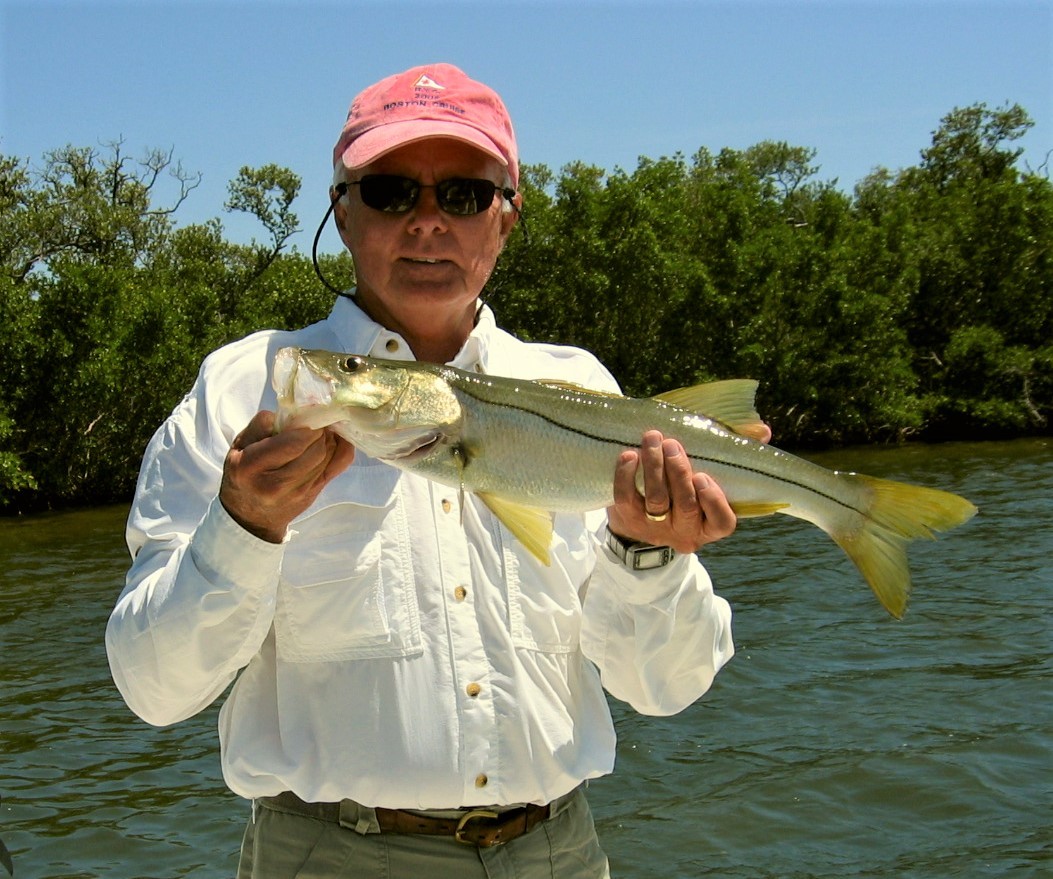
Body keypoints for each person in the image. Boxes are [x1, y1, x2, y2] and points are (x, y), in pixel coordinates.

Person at [106, 63, 757, 879]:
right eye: (387, 193)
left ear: (506, 218)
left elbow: (668, 685)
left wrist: (647, 550)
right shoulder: (245, 389)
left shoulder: (583, 390)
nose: (426, 223)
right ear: (341, 212)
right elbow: (152, 689)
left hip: (558, 851)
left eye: (463, 195)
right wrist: (243, 524)